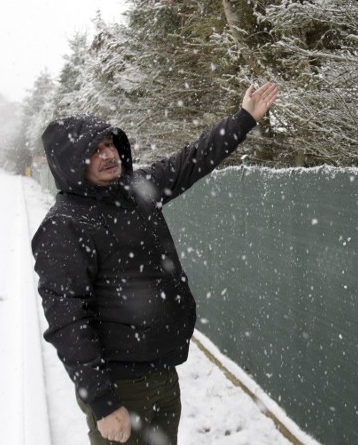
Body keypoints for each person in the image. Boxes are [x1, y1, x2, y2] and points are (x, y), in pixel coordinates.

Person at [31, 83, 277, 445]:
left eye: (109, 145)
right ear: (70, 162)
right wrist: (103, 403)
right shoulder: (64, 225)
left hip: (162, 372)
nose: (107, 155)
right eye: (94, 151)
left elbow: (192, 160)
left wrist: (243, 119)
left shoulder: (136, 189)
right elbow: (68, 322)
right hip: (120, 388)